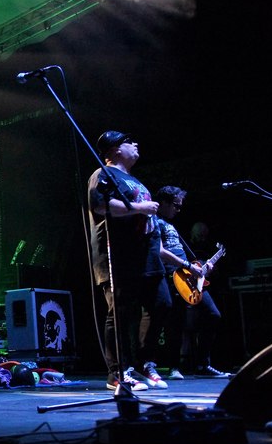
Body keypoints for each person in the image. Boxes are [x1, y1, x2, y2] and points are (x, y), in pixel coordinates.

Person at [87, 131, 170, 391]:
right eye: (128, 141)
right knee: (121, 313)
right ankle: (118, 373)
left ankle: (145, 362)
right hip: (119, 255)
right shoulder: (102, 173)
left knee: (162, 304)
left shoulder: (134, 180)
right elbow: (99, 205)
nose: (135, 144)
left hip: (147, 255)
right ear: (114, 150)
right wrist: (139, 208)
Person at [155, 185, 232, 379]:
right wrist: (189, 266)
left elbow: (186, 255)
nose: (178, 210)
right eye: (175, 205)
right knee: (176, 322)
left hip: (189, 275)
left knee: (213, 314)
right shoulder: (154, 221)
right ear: (163, 203)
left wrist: (202, 268)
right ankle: (173, 366)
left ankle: (202, 364)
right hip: (173, 276)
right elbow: (159, 251)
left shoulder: (172, 225)